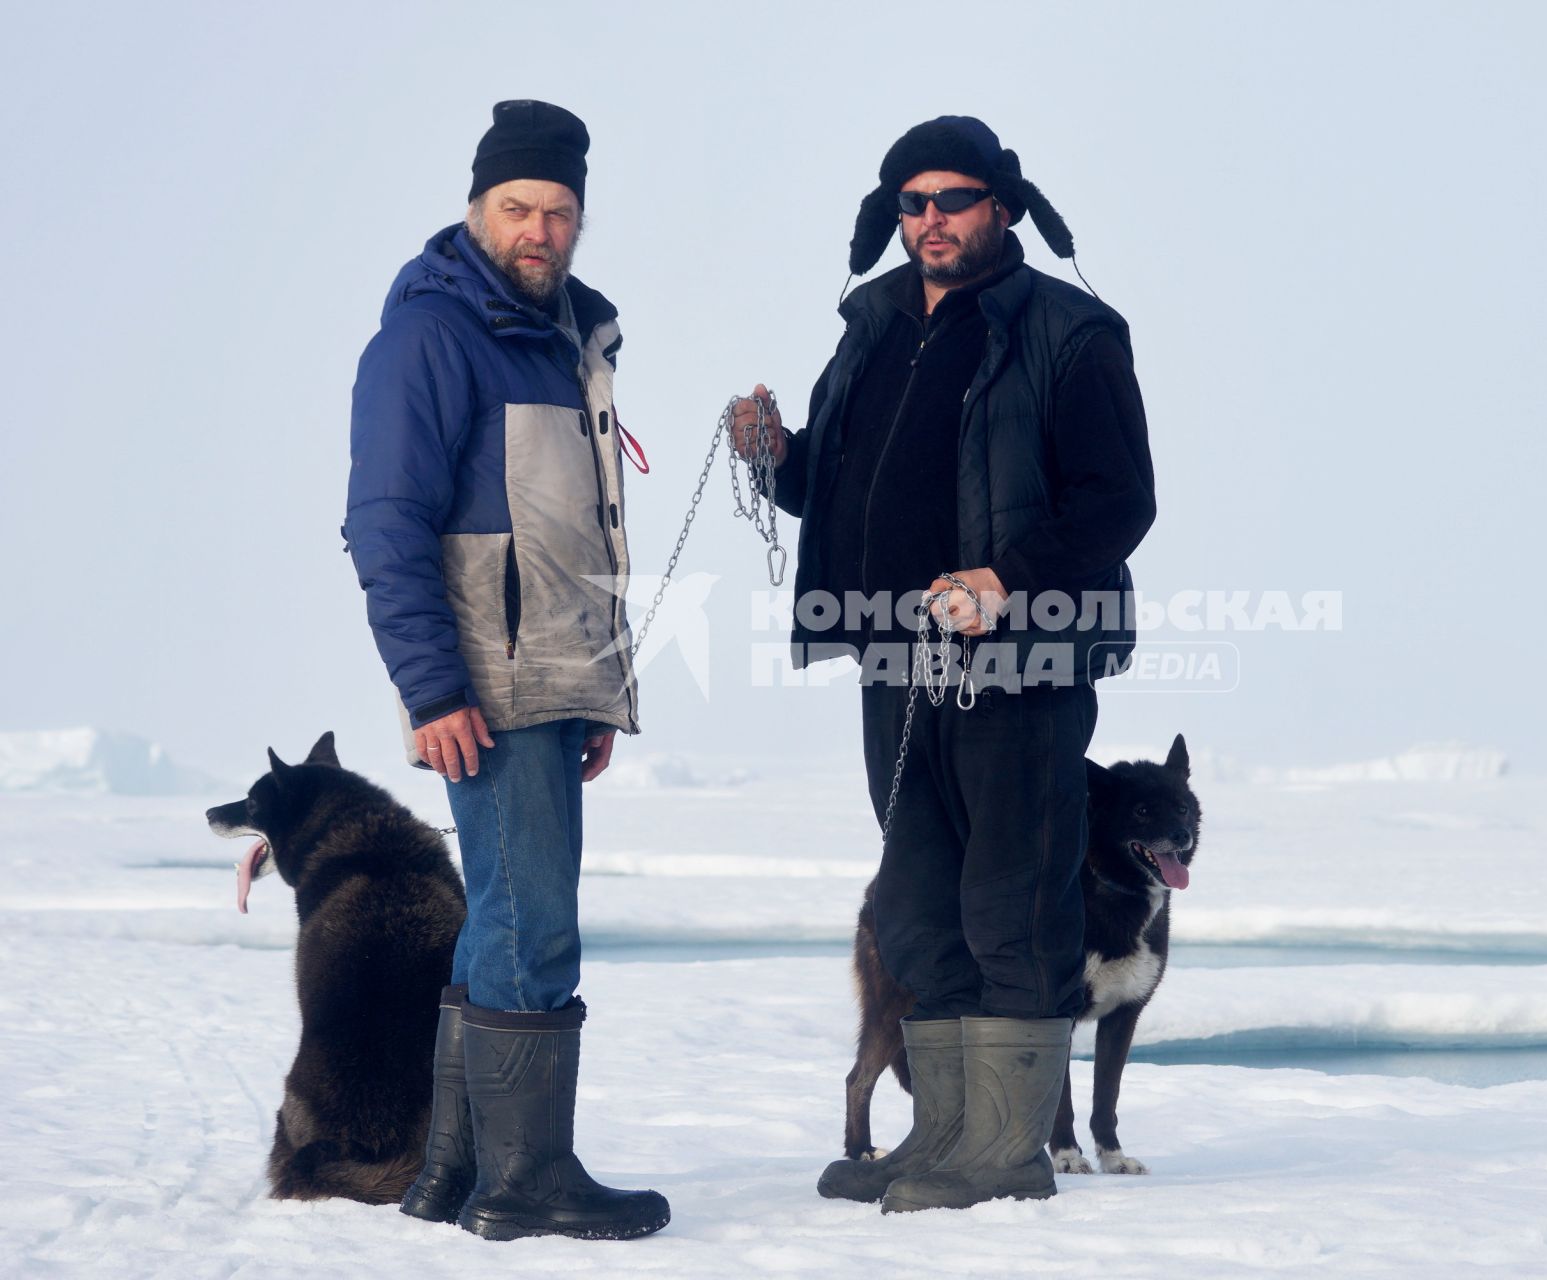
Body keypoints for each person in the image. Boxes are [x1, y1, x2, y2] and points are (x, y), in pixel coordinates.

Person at [731, 116, 1156, 1213]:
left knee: (1007, 899)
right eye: (912, 203)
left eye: (953, 199)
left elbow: (1119, 501)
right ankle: (944, 1138)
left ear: (1000, 207)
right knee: (917, 901)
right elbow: (841, 481)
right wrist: (777, 458)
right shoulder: (871, 324)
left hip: (1021, 664)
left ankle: (1006, 1150)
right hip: (893, 660)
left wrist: (1002, 578)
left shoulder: (1068, 330)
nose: (931, 221)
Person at [343, 100, 667, 1242]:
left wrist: (592, 687)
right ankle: (528, 1182)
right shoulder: (430, 336)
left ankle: (454, 1169)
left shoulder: (563, 336)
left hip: (546, 679)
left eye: (559, 210)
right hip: (480, 683)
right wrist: (432, 689)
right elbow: (384, 521)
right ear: (476, 208)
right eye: (517, 207)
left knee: (500, 917)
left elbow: (567, 532)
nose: (539, 229)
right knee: (534, 924)